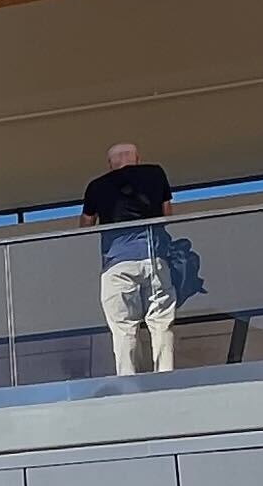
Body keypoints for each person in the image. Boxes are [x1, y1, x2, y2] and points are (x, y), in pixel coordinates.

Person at [80, 141, 191, 375]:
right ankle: (165, 374)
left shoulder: (96, 186)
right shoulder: (155, 173)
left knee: (123, 326)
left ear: (110, 164)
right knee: (160, 322)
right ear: (137, 158)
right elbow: (167, 214)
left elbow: (86, 225)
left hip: (117, 263)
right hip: (154, 258)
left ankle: (128, 379)